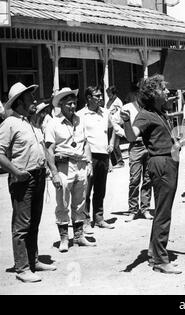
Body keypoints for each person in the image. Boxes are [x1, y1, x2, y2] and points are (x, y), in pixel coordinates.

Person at [121, 75, 182, 275]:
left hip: (168, 161)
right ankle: (160, 261)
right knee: (163, 213)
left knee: (163, 211)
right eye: (163, 89)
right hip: (162, 163)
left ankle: (153, 251)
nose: (167, 92)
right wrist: (127, 122)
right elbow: (131, 136)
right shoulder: (145, 115)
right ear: (153, 93)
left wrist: (176, 143)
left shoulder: (159, 112)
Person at [0, 82, 57, 283]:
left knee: (34, 222)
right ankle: (22, 268)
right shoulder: (9, 124)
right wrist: (16, 171)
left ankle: (32, 261)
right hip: (22, 180)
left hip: (38, 176)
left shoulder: (29, 123)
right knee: (22, 225)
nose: (34, 100)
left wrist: (49, 171)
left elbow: (41, 149)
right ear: (19, 102)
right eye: (29, 97)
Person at [45, 88, 97, 253]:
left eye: (74, 102)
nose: (73, 106)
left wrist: (88, 163)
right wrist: (54, 173)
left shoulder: (80, 120)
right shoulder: (53, 123)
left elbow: (86, 143)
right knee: (63, 204)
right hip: (63, 167)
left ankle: (79, 236)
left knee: (80, 201)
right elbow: (49, 150)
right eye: (69, 103)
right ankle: (64, 238)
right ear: (60, 104)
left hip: (80, 165)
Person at [77, 86, 116, 233]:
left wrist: (111, 143)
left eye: (100, 95)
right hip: (89, 157)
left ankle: (99, 218)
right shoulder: (80, 115)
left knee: (101, 189)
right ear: (88, 97)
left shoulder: (105, 113)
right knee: (86, 191)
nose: (100, 98)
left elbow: (113, 129)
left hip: (103, 157)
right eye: (97, 95)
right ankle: (85, 221)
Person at [114, 94, 153, 222]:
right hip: (135, 146)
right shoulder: (128, 107)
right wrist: (124, 133)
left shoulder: (149, 107)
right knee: (134, 178)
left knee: (148, 178)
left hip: (149, 144)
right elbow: (114, 121)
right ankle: (133, 209)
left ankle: (145, 208)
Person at [106, 86, 124, 168]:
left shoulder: (118, 102)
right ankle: (114, 162)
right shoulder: (109, 101)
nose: (108, 95)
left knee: (116, 144)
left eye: (109, 94)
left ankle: (120, 162)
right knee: (111, 143)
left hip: (116, 124)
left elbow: (120, 114)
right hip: (110, 124)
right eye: (107, 94)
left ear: (114, 93)